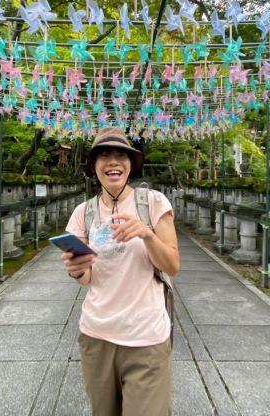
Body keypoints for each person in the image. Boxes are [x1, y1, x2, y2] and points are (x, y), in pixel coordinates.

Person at [61, 127, 180, 416]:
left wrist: (147, 235)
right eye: (104, 155)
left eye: (121, 155)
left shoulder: (153, 203)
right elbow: (88, 278)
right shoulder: (83, 213)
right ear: (93, 166)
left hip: (146, 337)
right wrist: (76, 270)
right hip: (96, 335)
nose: (113, 162)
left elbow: (172, 265)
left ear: (130, 164)